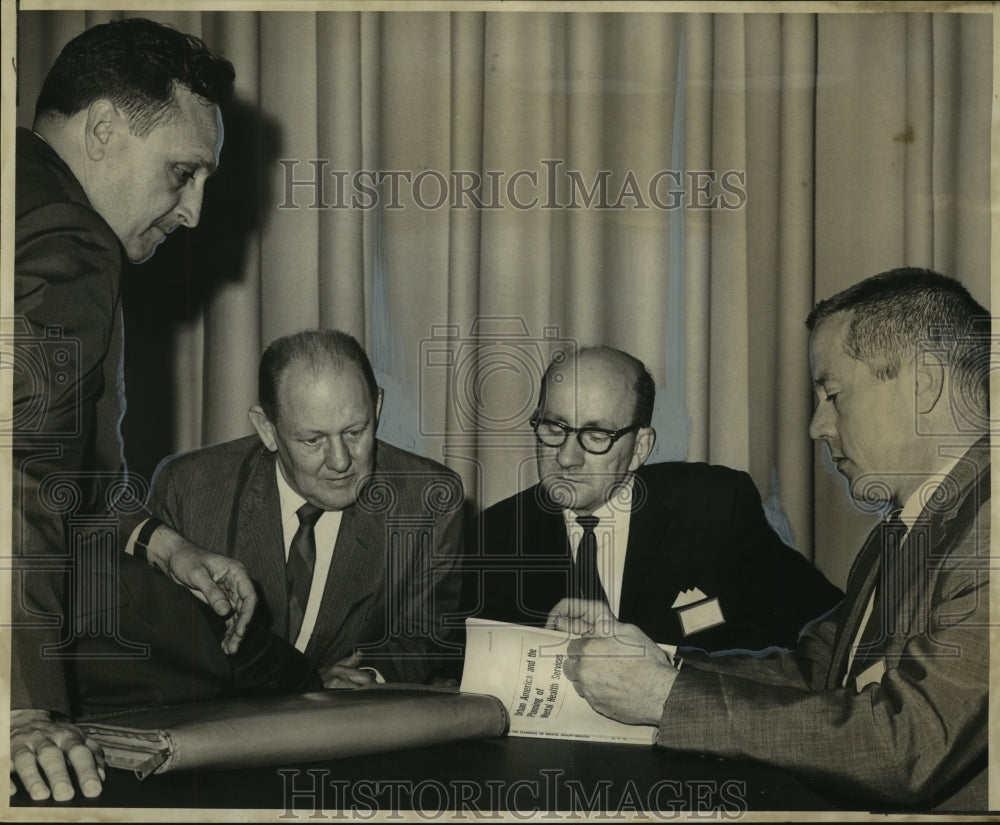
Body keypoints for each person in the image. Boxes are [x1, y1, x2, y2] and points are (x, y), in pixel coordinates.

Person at [553, 270, 989, 810]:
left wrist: (665, 698)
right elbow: (814, 673)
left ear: (925, 384)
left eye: (832, 394)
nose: (816, 426)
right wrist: (657, 661)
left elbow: (909, 749)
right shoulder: (899, 531)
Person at [12, 19, 262, 802]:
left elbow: (62, 464)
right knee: (245, 664)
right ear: (104, 129)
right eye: (182, 173)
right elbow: (17, 470)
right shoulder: (71, 237)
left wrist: (161, 542)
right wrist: (20, 710)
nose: (192, 212)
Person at [471, 346, 842, 652]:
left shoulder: (714, 507)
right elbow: (461, 672)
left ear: (639, 448)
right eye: (554, 427)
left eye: (597, 435)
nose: (567, 457)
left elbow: (825, 621)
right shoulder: (497, 534)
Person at [146, 330, 465, 686]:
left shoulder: (428, 499)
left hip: (346, 731)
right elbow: (159, 646)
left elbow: (427, 640)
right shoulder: (189, 488)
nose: (341, 461)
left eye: (355, 432)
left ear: (376, 408)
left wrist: (368, 676)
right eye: (313, 440)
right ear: (267, 429)